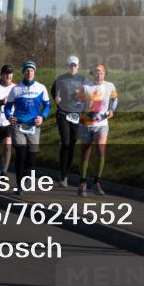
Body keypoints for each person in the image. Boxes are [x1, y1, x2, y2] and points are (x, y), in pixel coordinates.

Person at [3, 61, 50, 195]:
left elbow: (47, 105)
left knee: (32, 158)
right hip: (18, 125)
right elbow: (7, 107)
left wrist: (42, 116)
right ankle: (19, 184)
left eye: (31, 71)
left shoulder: (41, 88)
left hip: (34, 126)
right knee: (21, 155)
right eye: (27, 70)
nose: (29, 73)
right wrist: (8, 116)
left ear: (35, 72)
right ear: (23, 72)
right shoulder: (16, 88)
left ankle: (26, 173)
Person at [77, 64, 118, 197]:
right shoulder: (86, 86)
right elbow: (76, 101)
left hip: (102, 123)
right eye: (96, 72)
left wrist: (111, 110)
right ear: (92, 74)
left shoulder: (110, 86)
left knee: (101, 151)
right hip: (86, 123)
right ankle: (82, 183)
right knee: (85, 154)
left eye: (100, 72)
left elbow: (115, 99)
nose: (98, 75)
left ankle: (96, 183)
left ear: (105, 74)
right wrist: (82, 107)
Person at [52, 55, 86, 187]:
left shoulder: (83, 79)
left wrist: (82, 96)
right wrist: (56, 97)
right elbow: (53, 91)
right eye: (70, 65)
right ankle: (63, 175)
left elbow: (90, 95)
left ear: (78, 66)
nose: (73, 67)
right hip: (63, 114)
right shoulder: (61, 79)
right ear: (67, 66)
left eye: (75, 65)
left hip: (77, 114)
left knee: (71, 144)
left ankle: (66, 173)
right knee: (65, 142)